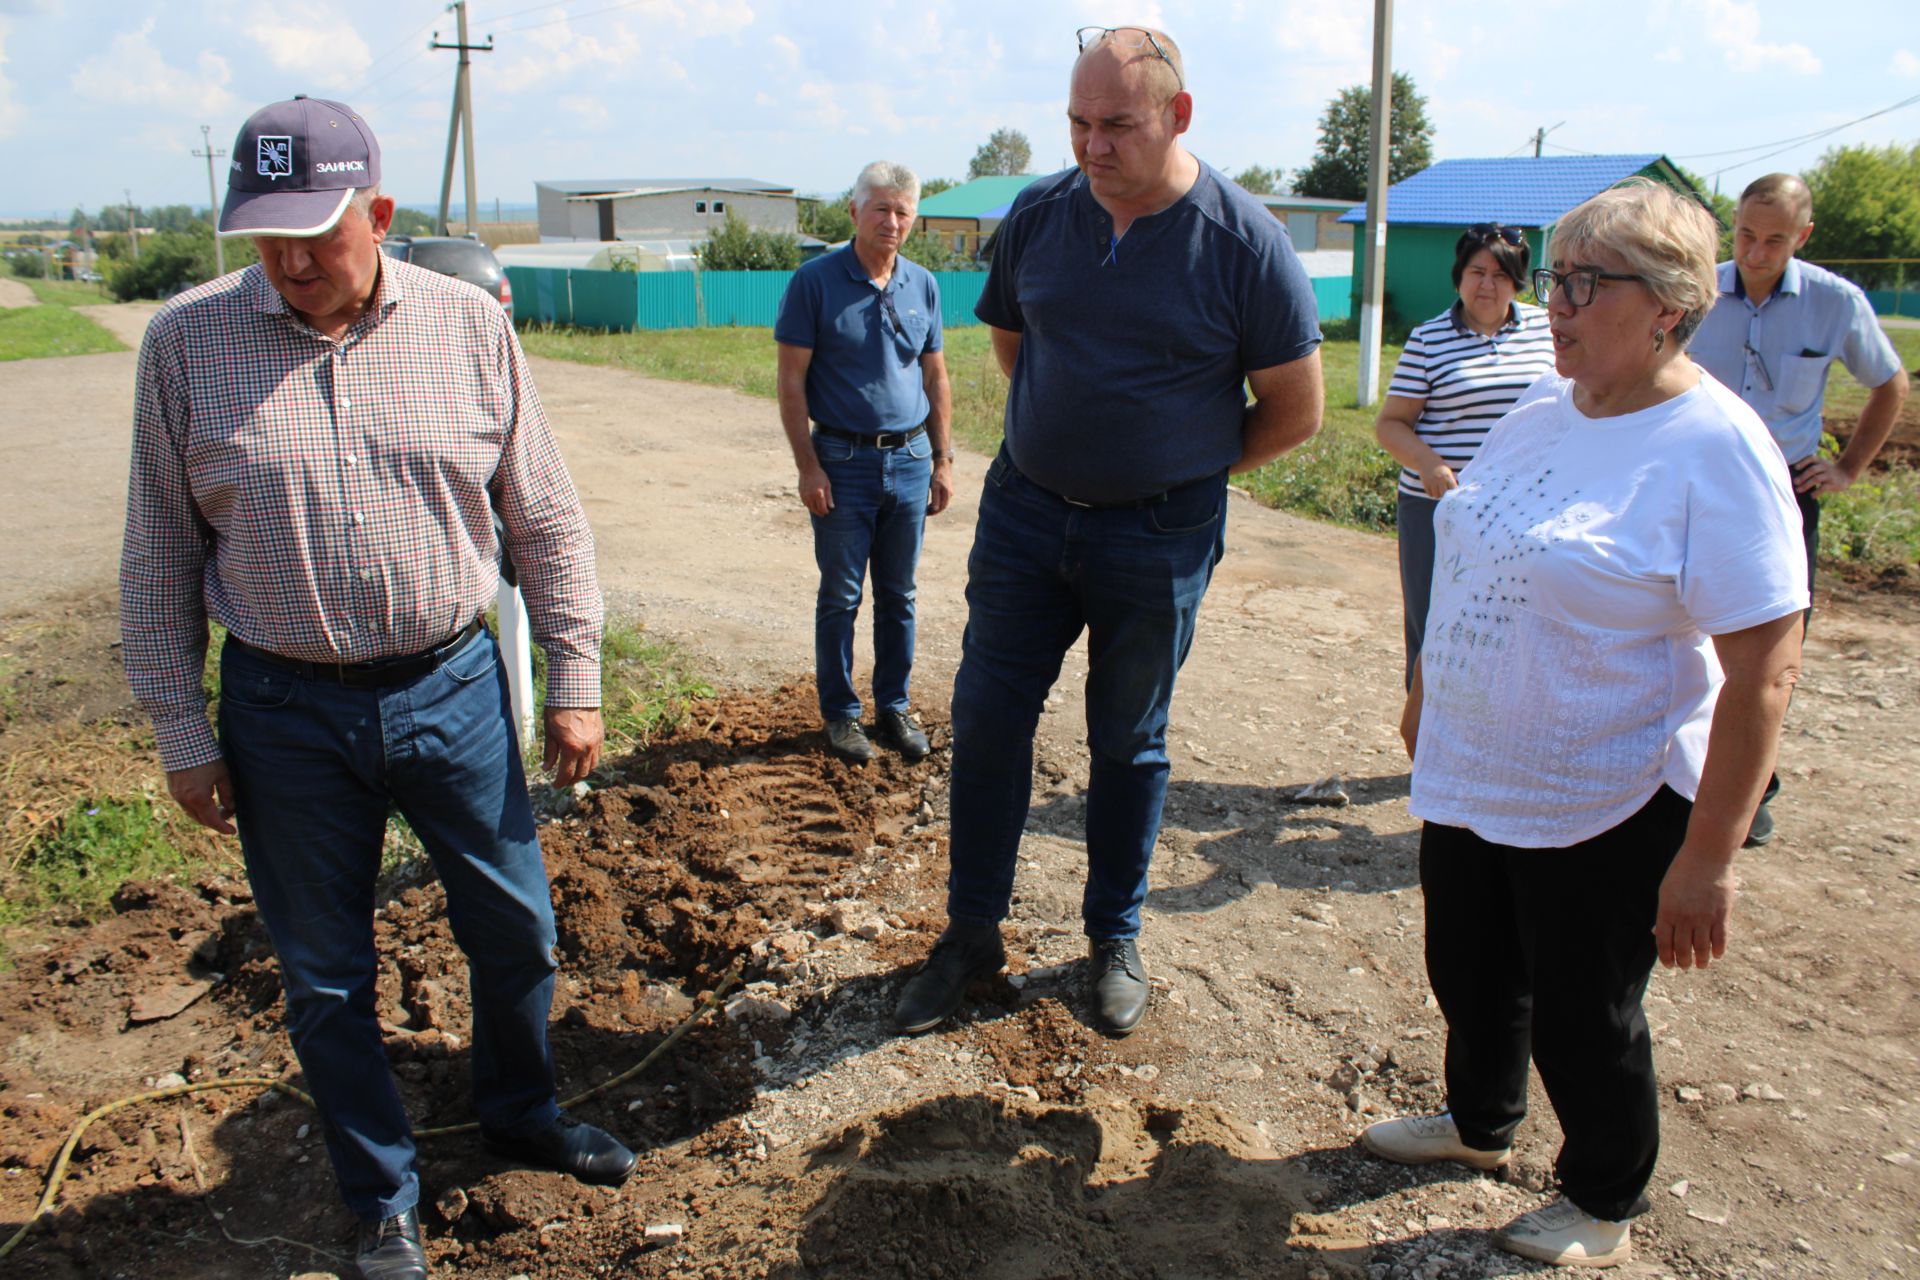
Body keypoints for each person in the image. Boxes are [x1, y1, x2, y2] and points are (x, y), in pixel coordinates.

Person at [119, 96, 634, 1280]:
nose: (293, 262)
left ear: (381, 213)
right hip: (284, 712)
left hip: (450, 687)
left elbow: (544, 515)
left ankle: (521, 1111)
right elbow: (158, 555)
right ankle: (382, 1195)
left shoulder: (466, 326)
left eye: (319, 231)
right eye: (268, 237)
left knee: (517, 930)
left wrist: (577, 674)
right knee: (326, 972)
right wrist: (180, 728)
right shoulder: (186, 346)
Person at [1361, 179, 1807, 1270]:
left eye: (1581, 284)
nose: (1552, 304)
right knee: (1468, 966)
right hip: (1478, 765)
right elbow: (1470, 555)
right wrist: (1431, 683)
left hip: (1608, 787)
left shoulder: (1716, 443)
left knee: (1582, 1007)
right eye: (1555, 279)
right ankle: (1478, 1125)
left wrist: (1708, 855)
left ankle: (1602, 1192)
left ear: (1666, 304)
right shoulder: (1539, 411)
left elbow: (1766, 670)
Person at [891, 25, 1323, 1039]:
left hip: (1160, 535)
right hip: (1027, 515)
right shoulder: (1040, 214)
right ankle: (970, 933)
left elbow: (1295, 408)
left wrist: (1182, 465)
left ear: (1177, 116)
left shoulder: (1243, 242)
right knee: (988, 720)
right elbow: (1011, 343)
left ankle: (1112, 936)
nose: (1093, 146)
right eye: (1079, 123)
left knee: (1128, 739)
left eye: (1116, 124)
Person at [1689, 172, 1910, 845]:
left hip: (1785, 497)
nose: (1756, 253)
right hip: (1698, 486)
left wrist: (1846, 467)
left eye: (1775, 240)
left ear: (1803, 236)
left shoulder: (1835, 303)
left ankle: (1752, 792)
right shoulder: (1697, 293)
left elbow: (1889, 384)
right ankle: (1679, 777)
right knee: (1688, 635)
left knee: (1768, 648)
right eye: (1747, 236)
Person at [774, 162, 954, 764]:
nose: (892, 221)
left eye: (903, 211)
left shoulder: (923, 284)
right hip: (842, 461)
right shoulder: (815, 282)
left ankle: (894, 708)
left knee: (899, 595)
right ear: (854, 212)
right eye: (881, 208)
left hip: (909, 459)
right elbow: (791, 381)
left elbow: (935, 375)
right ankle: (841, 715)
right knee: (842, 596)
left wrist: (944, 460)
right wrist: (808, 467)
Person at [1373, 224, 1556, 686]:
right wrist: (1430, 465)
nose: (1486, 285)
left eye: (1500, 274)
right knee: (1434, 619)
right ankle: (1427, 743)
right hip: (1438, 506)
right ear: (1458, 277)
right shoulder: (1429, 339)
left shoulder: (1546, 331)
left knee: (1512, 624)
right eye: (1476, 272)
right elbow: (1391, 424)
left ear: (1517, 281)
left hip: (1524, 509)